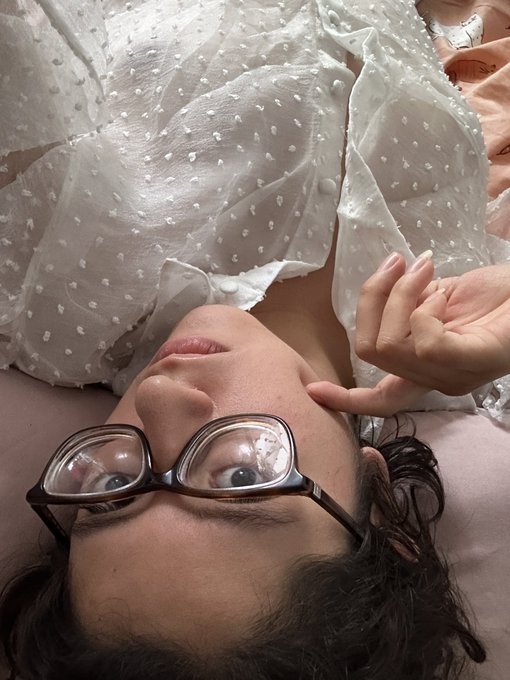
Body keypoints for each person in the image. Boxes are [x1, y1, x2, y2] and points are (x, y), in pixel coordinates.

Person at [1, 0, 509, 678]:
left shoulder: (52, 302)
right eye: (242, 476)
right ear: (380, 502)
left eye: (115, 485)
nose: (158, 402)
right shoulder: (472, 358)